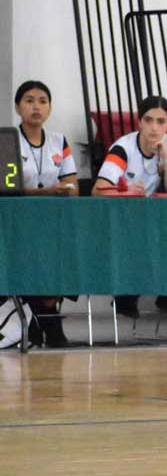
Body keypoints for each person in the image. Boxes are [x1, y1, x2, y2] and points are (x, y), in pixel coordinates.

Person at [94, 95, 167, 321]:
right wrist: (125, 189)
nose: (154, 127)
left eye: (160, 122)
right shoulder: (123, 147)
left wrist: (166, 156)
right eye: (148, 120)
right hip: (123, 216)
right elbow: (98, 190)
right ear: (139, 122)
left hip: (155, 216)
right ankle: (127, 294)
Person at [13, 80, 78, 346]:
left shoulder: (58, 140)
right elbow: (7, 188)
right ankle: (45, 318)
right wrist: (45, 192)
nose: (36, 106)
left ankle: (43, 317)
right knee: (31, 256)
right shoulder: (8, 139)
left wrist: (62, 190)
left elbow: (72, 183)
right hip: (17, 220)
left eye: (42, 101)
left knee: (65, 255)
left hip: (53, 219)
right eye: (29, 100)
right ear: (18, 107)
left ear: (50, 107)